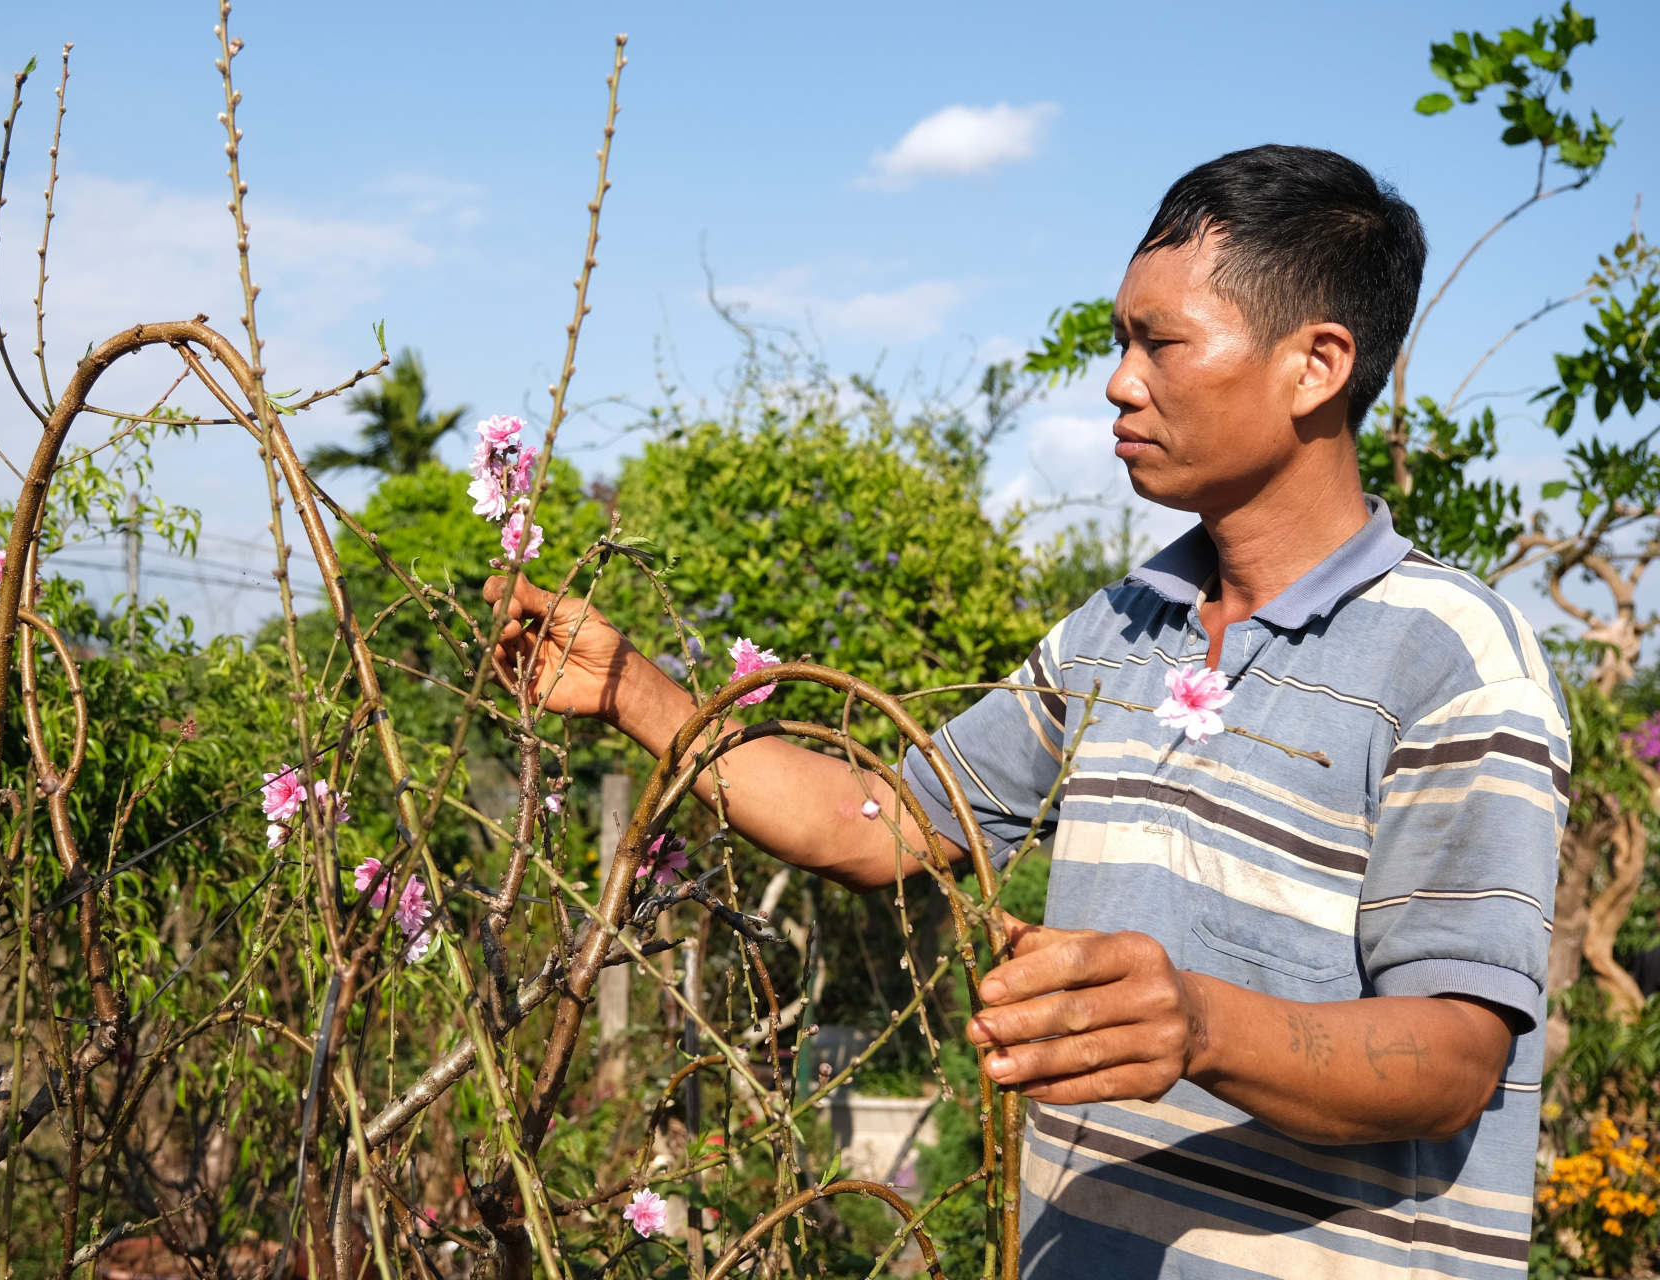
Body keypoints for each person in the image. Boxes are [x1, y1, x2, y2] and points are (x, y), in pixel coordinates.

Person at [487, 145, 1564, 1279]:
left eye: (1163, 341)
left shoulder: (1452, 656)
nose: (1119, 380)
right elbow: (881, 820)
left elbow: (1454, 1055)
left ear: (1317, 365)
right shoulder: (1118, 629)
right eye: (1119, 340)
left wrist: (1199, 1024)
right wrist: (633, 690)